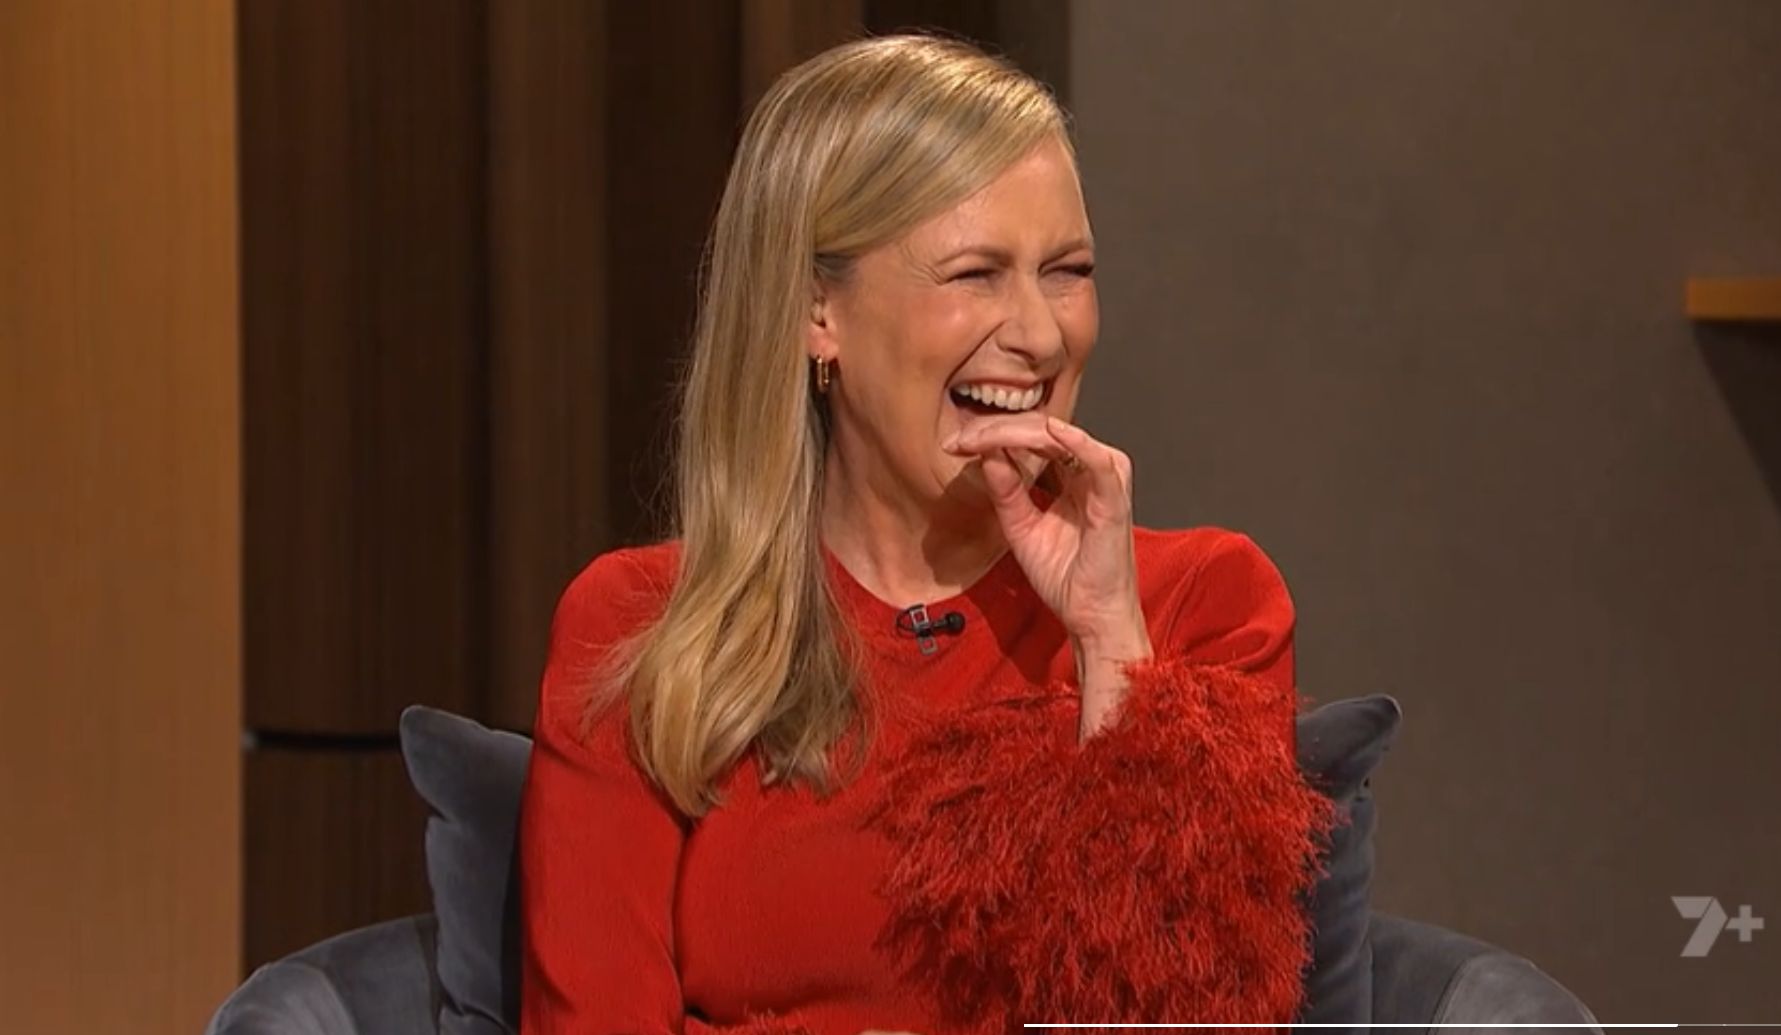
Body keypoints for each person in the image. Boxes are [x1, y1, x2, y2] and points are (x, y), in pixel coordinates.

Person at [520, 35, 1331, 1035]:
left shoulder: (1204, 604)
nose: (1039, 335)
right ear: (816, 310)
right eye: (975, 274)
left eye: (1067, 271)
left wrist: (1110, 648)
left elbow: (1190, 1017)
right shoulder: (643, 630)